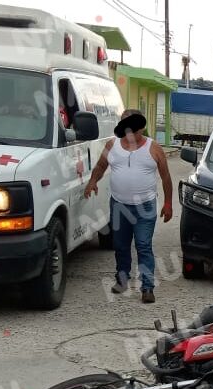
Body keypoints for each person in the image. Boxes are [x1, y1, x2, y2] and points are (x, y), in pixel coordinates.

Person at [84, 109, 173, 304]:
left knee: (143, 245)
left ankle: (147, 287)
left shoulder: (154, 148)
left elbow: (166, 177)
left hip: (145, 206)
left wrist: (168, 203)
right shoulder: (112, 145)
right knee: (120, 245)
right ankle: (122, 279)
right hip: (119, 205)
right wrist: (93, 181)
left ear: (141, 127)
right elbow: (100, 166)